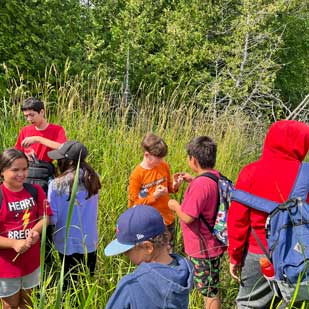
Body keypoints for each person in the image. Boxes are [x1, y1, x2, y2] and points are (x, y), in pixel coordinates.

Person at [227, 120, 309, 309]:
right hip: (296, 254)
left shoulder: (250, 172)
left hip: (259, 253)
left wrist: (235, 257)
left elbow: (238, 222)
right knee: (293, 302)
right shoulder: (306, 174)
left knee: (249, 304)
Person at [168, 136, 226, 309]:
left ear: (193, 159)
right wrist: (192, 179)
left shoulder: (200, 186)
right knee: (209, 285)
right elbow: (209, 195)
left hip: (203, 248)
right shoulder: (214, 177)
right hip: (212, 244)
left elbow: (188, 217)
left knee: (209, 292)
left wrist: (175, 206)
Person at [104, 205, 194, 309]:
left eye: (128, 251)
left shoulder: (132, 285)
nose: (125, 255)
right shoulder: (183, 272)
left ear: (148, 247)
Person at [0, 148, 52, 309]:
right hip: (6, 266)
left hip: (31, 261)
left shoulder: (35, 191)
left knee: (28, 302)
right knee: (10, 304)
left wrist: (35, 231)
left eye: (25, 169)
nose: (21, 174)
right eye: (15, 170)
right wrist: (14, 244)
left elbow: (46, 217)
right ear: (2, 171)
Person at [47, 141, 101, 289]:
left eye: (59, 159)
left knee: (68, 284)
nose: (57, 162)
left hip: (66, 242)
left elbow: (53, 218)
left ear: (69, 161)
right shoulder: (94, 177)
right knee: (86, 283)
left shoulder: (56, 184)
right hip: (89, 240)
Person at [128, 133, 183, 249]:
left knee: (169, 254)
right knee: (153, 257)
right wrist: (154, 196)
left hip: (168, 220)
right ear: (147, 155)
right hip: (150, 224)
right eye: (158, 158)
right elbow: (134, 204)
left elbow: (169, 188)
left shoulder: (164, 166)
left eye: (163, 157)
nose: (162, 160)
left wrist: (175, 185)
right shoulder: (137, 175)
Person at [15, 97, 67, 164]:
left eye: (32, 115)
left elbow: (63, 148)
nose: (29, 119)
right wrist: (25, 156)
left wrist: (37, 139)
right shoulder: (25, 130)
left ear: (42, 112)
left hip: (46, 169)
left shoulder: (57, 129)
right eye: (26, 116)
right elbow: (17, 152)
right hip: (28, 168)